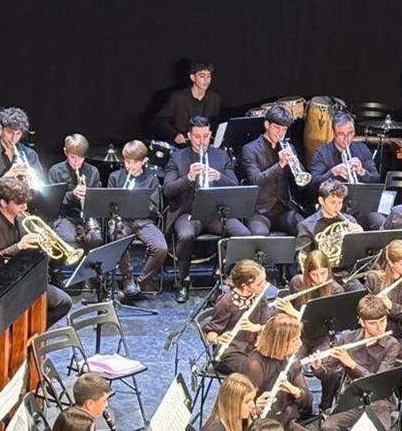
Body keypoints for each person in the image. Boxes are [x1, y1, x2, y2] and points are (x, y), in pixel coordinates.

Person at [236, 313, 338, 431]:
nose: (299, 344)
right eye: (294, 340)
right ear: (281, 342)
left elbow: (308, 402)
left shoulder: (290, 361)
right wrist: (257, 406)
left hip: (285, 423)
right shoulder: (254, 365)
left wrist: (294, 391)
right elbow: (244, 413)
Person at [315, 296, 399, 431]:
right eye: (373, 323)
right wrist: (318, 367)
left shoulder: (391, 344)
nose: (380, 327)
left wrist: (352, 364)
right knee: (328, 427)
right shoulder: (347, 340)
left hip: (380, 401)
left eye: (383, 321)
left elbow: (379, 381)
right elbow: (329, 375)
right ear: (361, 321)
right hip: (352, 399)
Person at [163, 116, 244, 303]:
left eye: (206, 136)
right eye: (197, 137)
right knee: (185, 235)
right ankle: (182, 281)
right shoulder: (177, 157)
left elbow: (234, 184)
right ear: (189, 136)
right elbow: (168, 190)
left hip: (216, 213)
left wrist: (219, 176)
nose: (202, 141)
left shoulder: (221, 156)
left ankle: (222, 276)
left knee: (242, 233)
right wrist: (189, 177)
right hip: (188, 213)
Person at [0, 177, 72, 325]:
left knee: (64, 302)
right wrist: (18, 247)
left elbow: (42, 255)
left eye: (26, 203)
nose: (24, 207)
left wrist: (47, 245)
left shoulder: (24, 220)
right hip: (0, 285)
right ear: (3, 202)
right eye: (19, 204)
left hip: (26, 279)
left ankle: (32, 336)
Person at [106, 140, 168, 299]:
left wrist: (137, 202)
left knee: (161, 248)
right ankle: (127, 278)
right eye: (127, 162)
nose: (130, 166)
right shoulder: (115, 177)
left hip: (143, 222)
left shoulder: (151, 179)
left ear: (144, 161)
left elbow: (154, 208)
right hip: (123, 221)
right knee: (118, 238)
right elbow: (108, 204)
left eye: (135, 162)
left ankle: (140, 283)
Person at [306, 112, 384, 231]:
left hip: (360, 207)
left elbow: (376, 179)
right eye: (341, 134)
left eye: (350, 133)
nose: (346, 138)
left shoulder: (362, 149)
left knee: (380, 222)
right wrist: (333, 172)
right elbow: (313, 184)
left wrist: (362, 171)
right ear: (333, 133)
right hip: (332, 208)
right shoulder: (321, 153)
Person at [239, 105, 304, 236]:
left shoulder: (288, 147)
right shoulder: (250, 149)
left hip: (283, 208)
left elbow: (300, 178)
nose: (280, 133)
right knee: (259, 234)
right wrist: (280, 165)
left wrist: (296, 165)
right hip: (259, 211)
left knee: (303, 227)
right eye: (277, 128)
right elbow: (256, 180)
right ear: (267, 125)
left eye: (284, 129)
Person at [203, 259, 272, 375]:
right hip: (230, 352)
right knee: (257, 371)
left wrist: (257, 328)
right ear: (245, 287)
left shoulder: (260, 296)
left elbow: (268, 324)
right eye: (259, 283)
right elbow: (211, 332)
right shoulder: (226, 302)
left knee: (280, 364)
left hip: (254, 348)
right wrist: (218, 339)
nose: (264, 285)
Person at [363, 239, 402, 366]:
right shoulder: (374, 278)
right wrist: (377, 305)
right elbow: (365, 311)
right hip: (376, 335)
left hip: (401, 335)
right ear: (390, 263)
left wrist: (391, 306)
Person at [47, 133, 104, 255]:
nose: (77, 162)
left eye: (81, 158)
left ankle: (89, 272)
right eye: (73, 157)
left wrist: (88, 197)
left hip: (86, 216)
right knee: (69, 240)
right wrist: (72, 194)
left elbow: (99, 200)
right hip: (64, 216)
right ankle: (56, 270)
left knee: (96, 240)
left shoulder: (92, 171)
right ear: (65, 152)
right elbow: (52, 203)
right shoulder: (55, 171)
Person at [0, 107, 45, 203]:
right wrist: (8, 176)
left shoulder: (30, 155)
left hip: (25, 207)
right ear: (0, 129)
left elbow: (41, 189)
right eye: (9, 132)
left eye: (18, 133)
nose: (13, 138)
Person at [290, 250, 347, 356]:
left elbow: (327, 324)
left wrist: (294, 313)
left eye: (323, 273)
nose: (320, 279)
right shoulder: (297, 283)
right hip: (299, 335)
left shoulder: (336, 290)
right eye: (314, 275)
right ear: (307, 273)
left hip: (322, 337)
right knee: (293, 364)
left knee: (322, 365)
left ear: (329, 270)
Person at [155, 60, 220, 145]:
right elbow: (159, 121)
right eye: (202, 76)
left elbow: (215, 123)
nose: (206, 80)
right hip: (182, 146)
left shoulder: (214, 98)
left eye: (209, 76)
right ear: (193, 77)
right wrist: (175, 135)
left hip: (204, 146)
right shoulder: (178, 98)